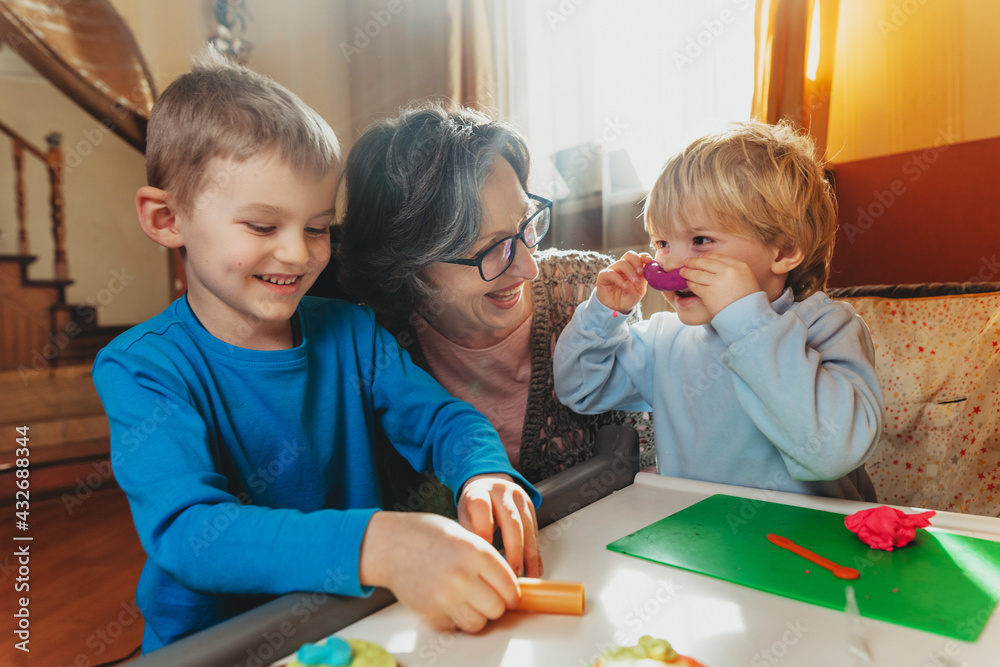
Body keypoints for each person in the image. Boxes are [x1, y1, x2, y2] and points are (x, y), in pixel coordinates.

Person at [91, 52, 541, 652]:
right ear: (167, 217)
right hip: (215, 649)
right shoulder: (141, 368)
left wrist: (483, 472)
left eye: (317, 227)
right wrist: (382, 544)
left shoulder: (351, 333)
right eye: (261, 227)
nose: (299, 256)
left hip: (350, 627)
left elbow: (442, 418)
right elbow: (190, 532)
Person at [335, 105, 654, 516]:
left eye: (527, 225)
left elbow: (646, 465)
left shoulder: (591, 291)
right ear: (408, 262)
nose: (528, 267)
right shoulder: (373, 344)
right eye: (491, 248)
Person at [553, 121, 884, 500]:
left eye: (700, 240)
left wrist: (746, 319)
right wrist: (604, 315)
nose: (670, 262)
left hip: (816, 547)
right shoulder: (665, 340)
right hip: (699, 540)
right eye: (662, 241)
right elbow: (579, 390)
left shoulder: (829, 327)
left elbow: (831, 452)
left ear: (783, 251)